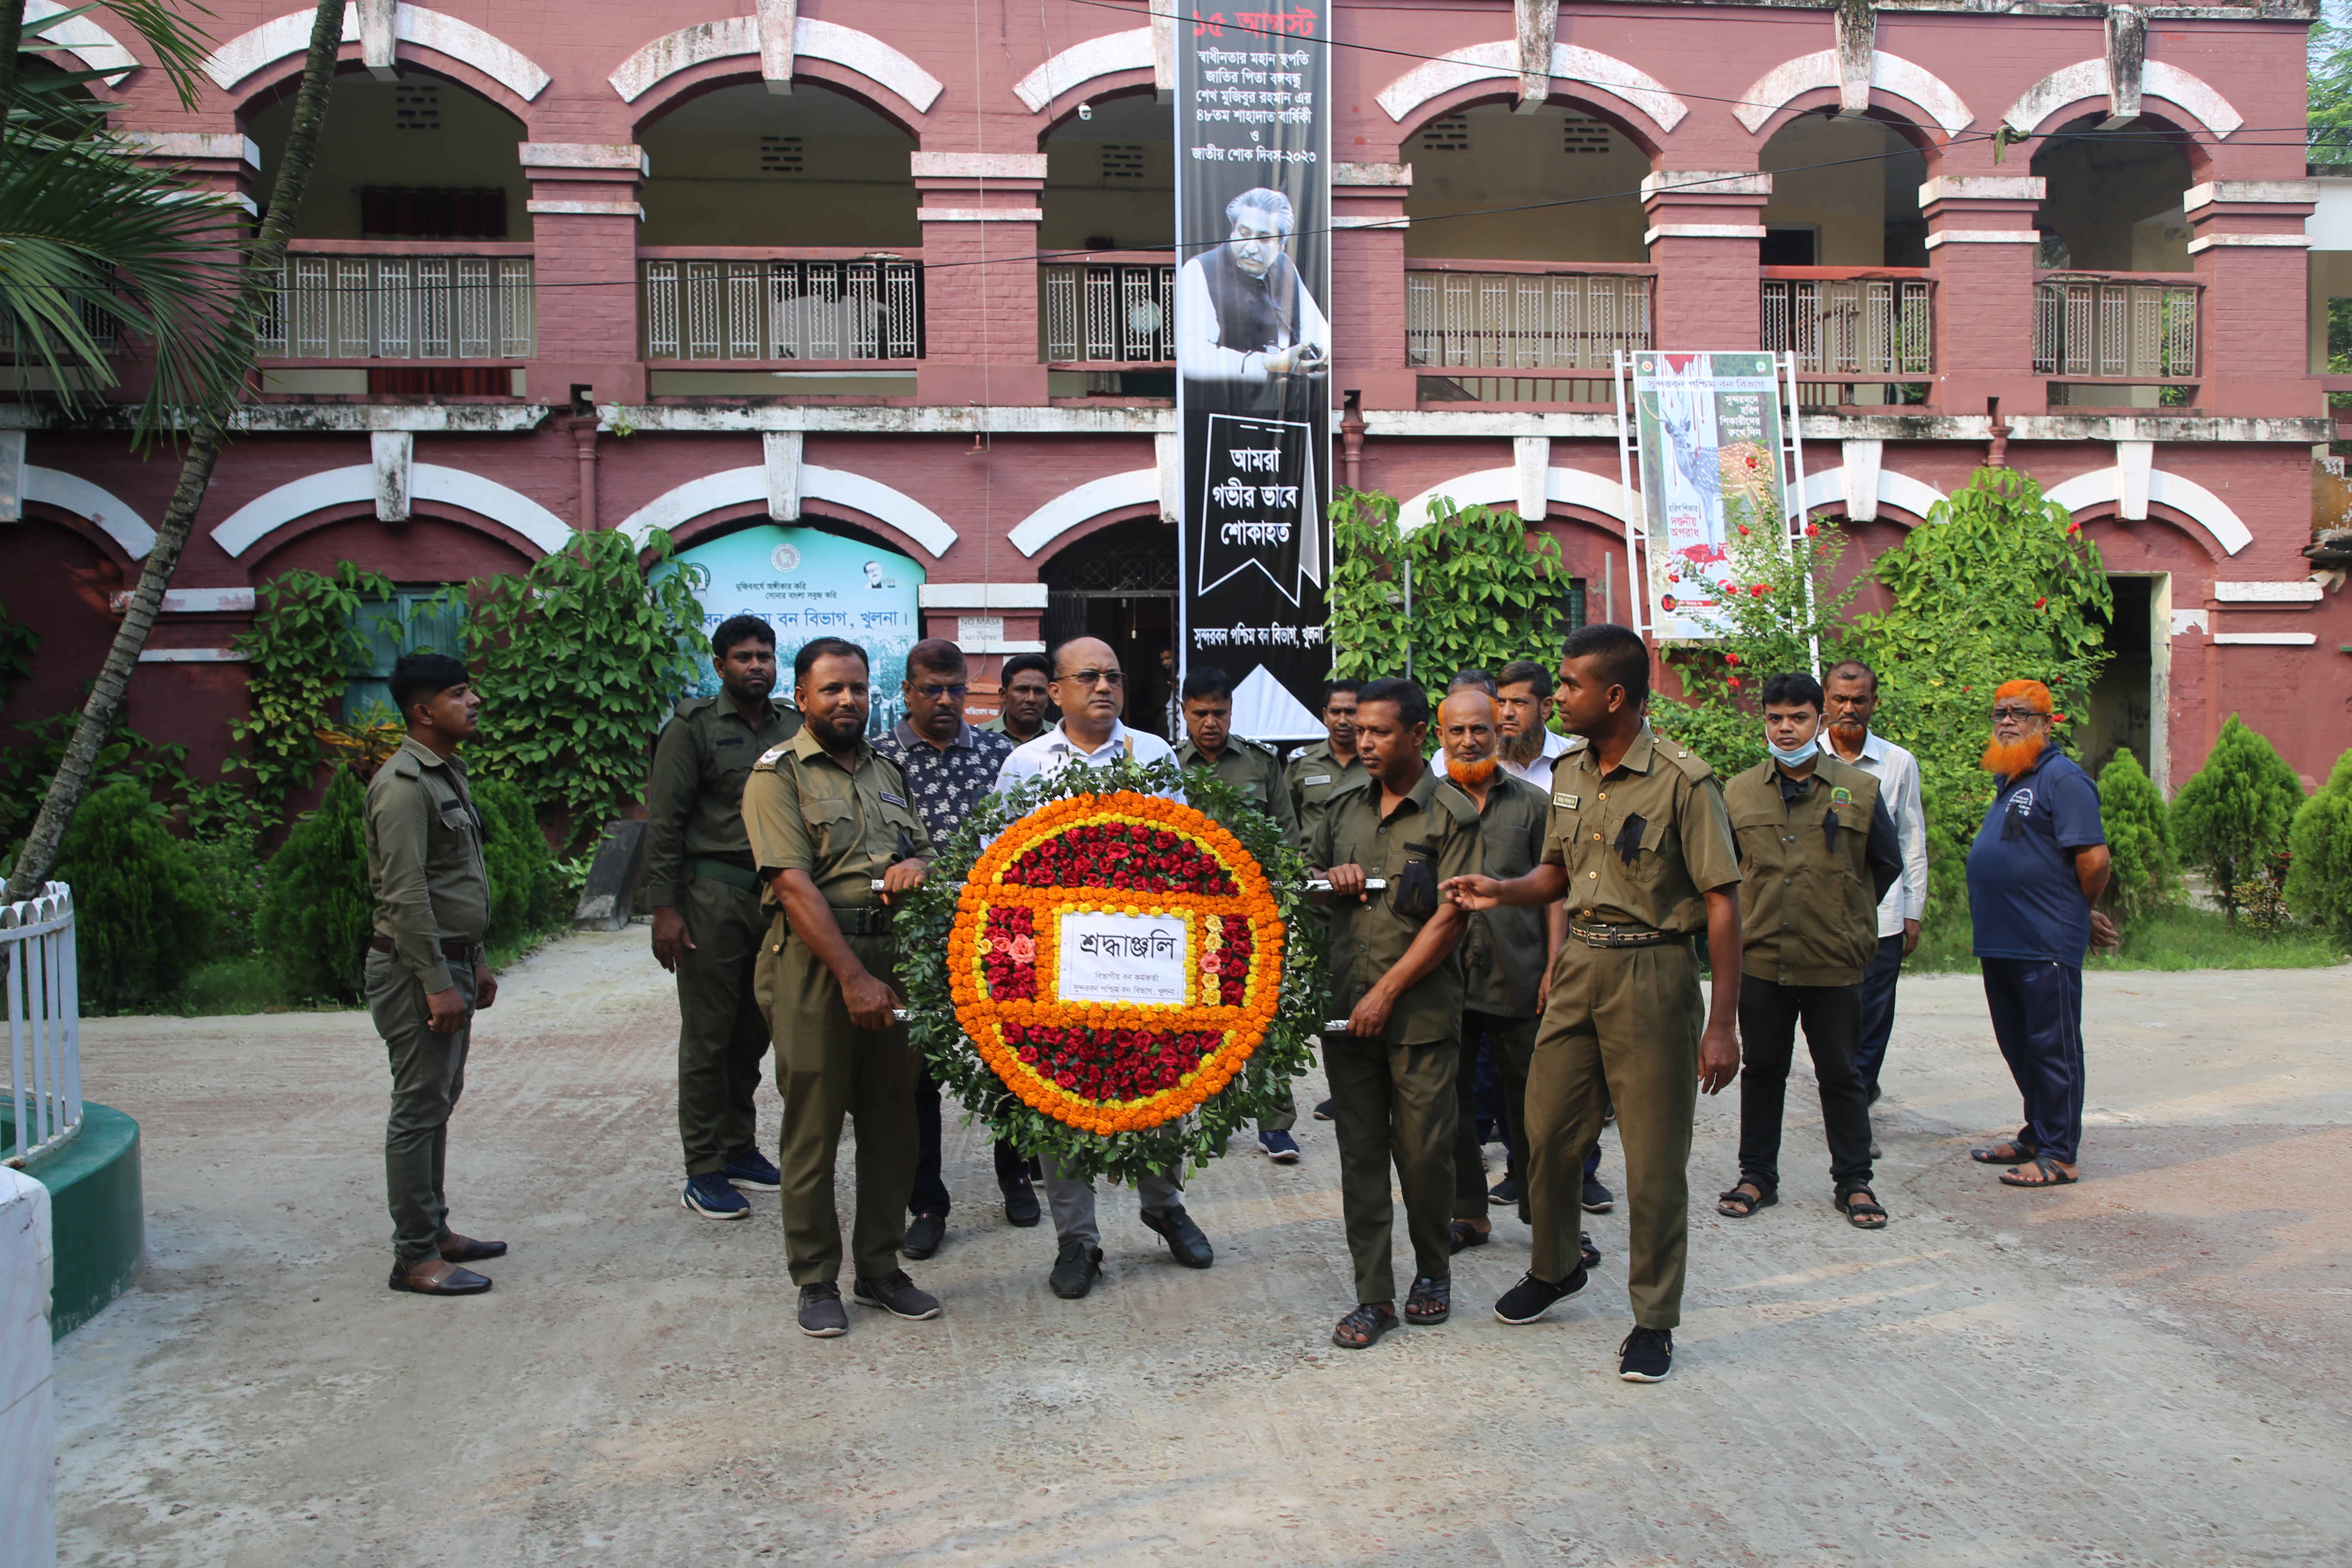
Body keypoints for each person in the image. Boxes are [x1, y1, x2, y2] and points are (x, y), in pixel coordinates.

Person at [1442, 623, 1743, 1384]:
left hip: (1653, 972)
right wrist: (1501, 890)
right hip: (1580, 964)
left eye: (1570, 685)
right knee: (1543, 1133)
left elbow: (1722, 904)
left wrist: (1722, 1025)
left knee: (1652, 1162)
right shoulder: (1570, 772)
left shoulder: (1684, 781)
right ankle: (1556, 1267)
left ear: (1614, 696)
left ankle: (1654, 1319)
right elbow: (1557, 874)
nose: (1557, 697)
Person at [994, 637, 1215, 1298]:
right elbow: (997, 861)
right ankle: (1078, 1240)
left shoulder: (1152, 755)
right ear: (1055, 691)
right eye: (1088, 676)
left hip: (1143, 958)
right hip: (1059, 965)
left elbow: (1182, 850)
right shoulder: (1025, 764)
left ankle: (1164, 1206)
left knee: (1157, 1082)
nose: (1103, 687)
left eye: (1114, 676)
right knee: (1061, 1092)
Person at [744, 637, 941, 1337]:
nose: (847, 700)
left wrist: (917, 866)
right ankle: (815, 1277)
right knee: (815, 1126)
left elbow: (923, 848)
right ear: (802, 698)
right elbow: (791, 885)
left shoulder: (888, 770)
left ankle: (880, 1267)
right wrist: (854, 978)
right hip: (813, 963)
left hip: (894, 956)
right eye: (831, 689)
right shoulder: (777, 774)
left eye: (857, 687)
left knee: (894, 1123)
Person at [1309, 677, 1482, 1349]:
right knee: (1360, 1157)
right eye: (1358, 730)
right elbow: (1304, 880)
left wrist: (1385, 994)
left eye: (1380, 731)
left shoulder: (1451, 815)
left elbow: (1451, 919)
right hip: (1346, 1012)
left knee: (1425, 1153)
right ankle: (1373, 1296)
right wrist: (1329, 881)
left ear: (1416, 734)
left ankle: (1433, 1270)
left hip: (1420, 1018)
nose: (1364, 742)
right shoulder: (1342, 807)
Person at [1714, 672, 1903, 1231]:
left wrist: (1846, 915)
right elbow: (1724, 873)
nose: (1786, 729)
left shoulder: (1859, 790)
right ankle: (1757, 1177)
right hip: (1762, 959)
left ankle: (1854, 1182)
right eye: (1775, 718)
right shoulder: (1739, 792)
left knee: (1842, 1073)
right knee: (1763, 1069)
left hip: (1833, 961)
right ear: (1764, 721)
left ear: (1819, 721)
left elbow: (1885, 864)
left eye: (1798, 718)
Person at [872, 639, 1032, 1254]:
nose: (945, 700)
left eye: (956, 689)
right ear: (907, 691)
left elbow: (1020, 837)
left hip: (997, 938)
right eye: (931, 689)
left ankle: (1016, 1174)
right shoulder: (878, 759)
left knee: (1008, 1057)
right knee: (917, 1073)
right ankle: (927, 1202)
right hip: (912, 941)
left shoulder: (1000, 755)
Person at [646, 615, 801, 1222]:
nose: (756, 666)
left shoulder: (791, 725)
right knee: (709, 1036)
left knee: (753, 1032)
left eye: (765, 655)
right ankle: (704, 1168)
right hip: (713, 895)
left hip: (776, 897)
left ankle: (738, 1148)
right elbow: (666, 822)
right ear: (720, 666)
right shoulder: (693, 728)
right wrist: (665, 908)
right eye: (743, 657)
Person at [365, 653, 502, 1296]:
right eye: (458, 693)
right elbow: (406, 893)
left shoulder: (445, 773)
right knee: (419, 1109)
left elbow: (456, 881)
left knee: (439, 1101)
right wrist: (436, 982)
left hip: (451, 960)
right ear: (423, 712)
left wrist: (475, 961)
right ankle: (415, 1257)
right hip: (415, 970)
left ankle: (435, 1230)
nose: (474, 701)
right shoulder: (403, 786)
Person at [1427, 688, 1570, 1259]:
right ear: (1441, 737)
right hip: (1446, 982)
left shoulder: (1533, 804)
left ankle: (1549, 1220)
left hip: (1522, 976)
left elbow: (1556, 889)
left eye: (1479, 730)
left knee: (1537, 1107)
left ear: (1498, 731)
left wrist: (1555, 963)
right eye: (1457, 731)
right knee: (1453, 1106)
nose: (1469, 741)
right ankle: (1469, 1212)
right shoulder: (1427, 804)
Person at [1964, 680, 2119, 1189]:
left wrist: (2077, 911)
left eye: (2020, 713)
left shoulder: (2063, 779)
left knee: (2053, 1049)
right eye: (2000, 713)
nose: (2007, 721)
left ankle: (2059, 1154)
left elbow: (2094, 860)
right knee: (2019, 1044)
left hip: (2043, 940)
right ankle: (2038, 1134)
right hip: (2002, 939)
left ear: (2046, 723)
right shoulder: (2012, 779)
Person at [1175, 664, 1307, 1163]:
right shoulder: (1170, 766)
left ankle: (1276, 1126)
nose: (1210, 722)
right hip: (1194, 919)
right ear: (1184, 712)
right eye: (1200, 713)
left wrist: (1282, 911)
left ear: (1231, 710)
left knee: (1265, 1018)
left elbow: (1287, 839)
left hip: (1256, 917)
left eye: (1219, 712)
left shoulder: (1260, 762)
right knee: (1210, 1020)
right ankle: (1217, 1119)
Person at [1822, 659, 1930, 1119]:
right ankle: (1846, 1092)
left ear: (1874, 704)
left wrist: (1913, 909)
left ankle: (1856, 1110)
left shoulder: (1898, 763)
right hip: (1817, 914)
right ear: (1825, 702)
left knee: (1873, 1015)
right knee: (1830, 1016)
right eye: (1840, 699)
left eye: (1859, 700)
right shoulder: (1803, 758)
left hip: (1882, 912)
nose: (1849, 709)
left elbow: (1911, 837)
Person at [1288, 679, 1365, 1125]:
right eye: (1336, 711)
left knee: (1369, 995)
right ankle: (1343, 1093)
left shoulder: (1376, 761)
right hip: (1318, 906)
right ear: (1324, 715)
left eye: (1352, 711)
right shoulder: (1302, 765)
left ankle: (1374, 1088)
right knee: (1330, 1003)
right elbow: (1287, 823)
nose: (1344, 720)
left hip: (1367, 901)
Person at [1175, 187, 1330, 406]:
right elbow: (1193, 359)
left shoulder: (1285, 265)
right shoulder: (1199, 269)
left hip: (1287, 407)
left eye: (1265, 239)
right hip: (1225, 406)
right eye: (1244, 233)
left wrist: (1317, 356)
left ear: (1281, 245)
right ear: (1232, 232)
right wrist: (1271, 364)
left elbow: (1318, 331)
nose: (1251, 248)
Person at [1495, 658, 1579, 794]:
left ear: (1546, 707)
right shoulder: (1481, 760)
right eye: (1501, 702)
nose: (1506, 713)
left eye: (1519, 702)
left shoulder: (1574, 760)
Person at [982, 652, 1053, 746]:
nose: (1031, 699)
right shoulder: (979, 738)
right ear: (1003, 695)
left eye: (1039, 691)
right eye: (1022, 690)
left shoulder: (1062, 739)